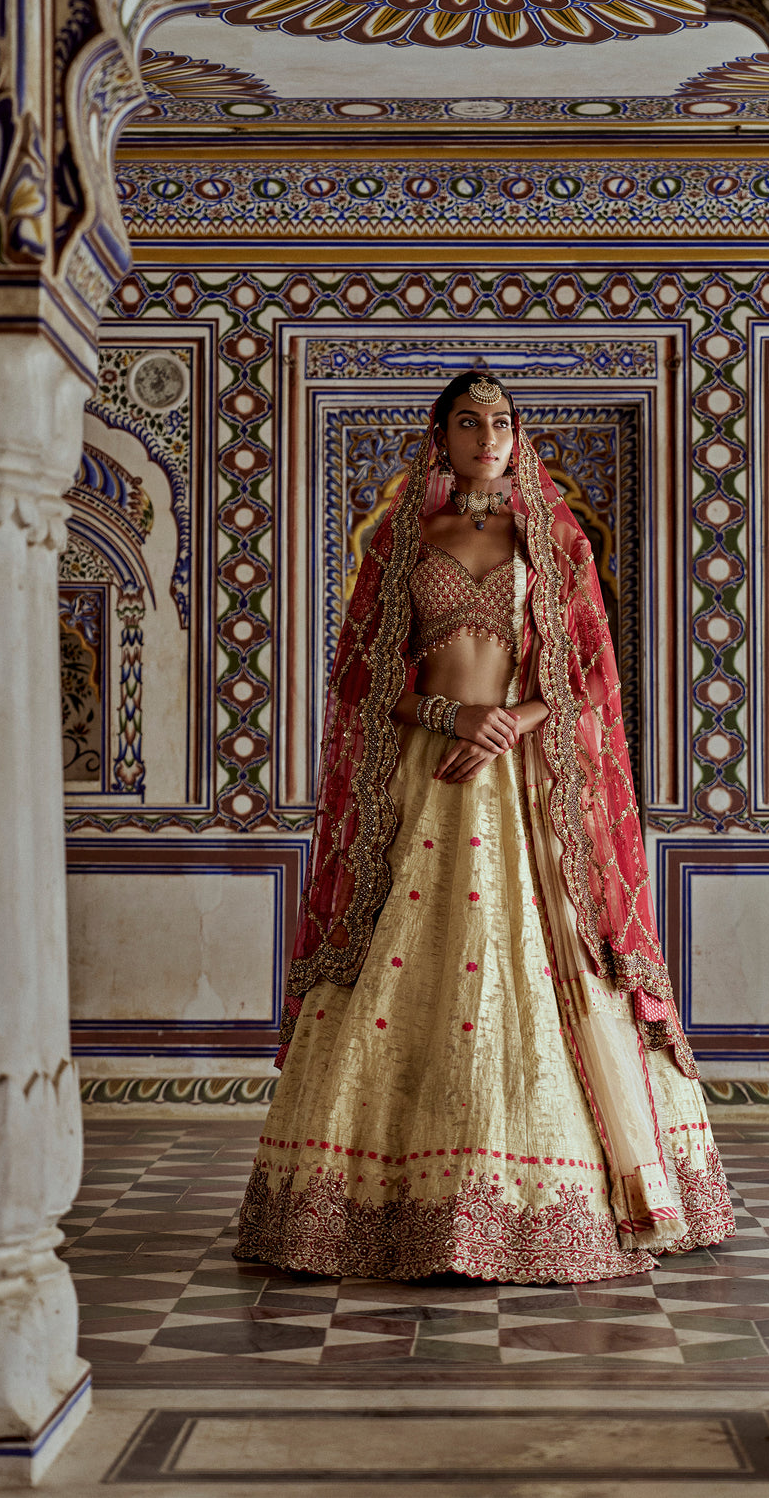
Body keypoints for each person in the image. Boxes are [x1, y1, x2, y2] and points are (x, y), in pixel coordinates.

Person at [234, 371, 734, 1283]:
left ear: (517, 434)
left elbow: (587, 682)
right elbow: (361, 688)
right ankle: (383, 1211)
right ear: (440, 435)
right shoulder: (402, 542)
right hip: (428, 781)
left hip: (528, 787)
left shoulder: (553, 539)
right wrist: (452, 720)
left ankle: (560, 1203)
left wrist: (509, 722)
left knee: (546, 966)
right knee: (404, 957)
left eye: (502, 421)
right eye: (469, 422)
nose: (488, 436)